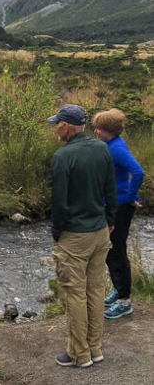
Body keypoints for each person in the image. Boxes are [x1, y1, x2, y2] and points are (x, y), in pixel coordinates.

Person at [48, 104, 117, 368]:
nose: (56, 128)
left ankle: (79, 353)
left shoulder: (63, 157)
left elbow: (60, 203)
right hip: (100, 230)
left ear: (66, 126)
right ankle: (95, 348)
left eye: (58, 124)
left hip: (74, 235)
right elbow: (111, 189)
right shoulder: (102, 149)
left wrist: (57, 233)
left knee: (74, 293)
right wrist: (110, 220)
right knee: (96, 289)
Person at [92, 108, 144, 319]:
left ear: (109, 131)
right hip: (113, 205)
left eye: (99, 128)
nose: (95, 131)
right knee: (110, 251)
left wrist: (131, 196)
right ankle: (119, 290)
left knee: (116, 252)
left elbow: (138, 171)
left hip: (120, 207)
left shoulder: (117, 149)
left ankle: (124, 302)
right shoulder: (111, 145)